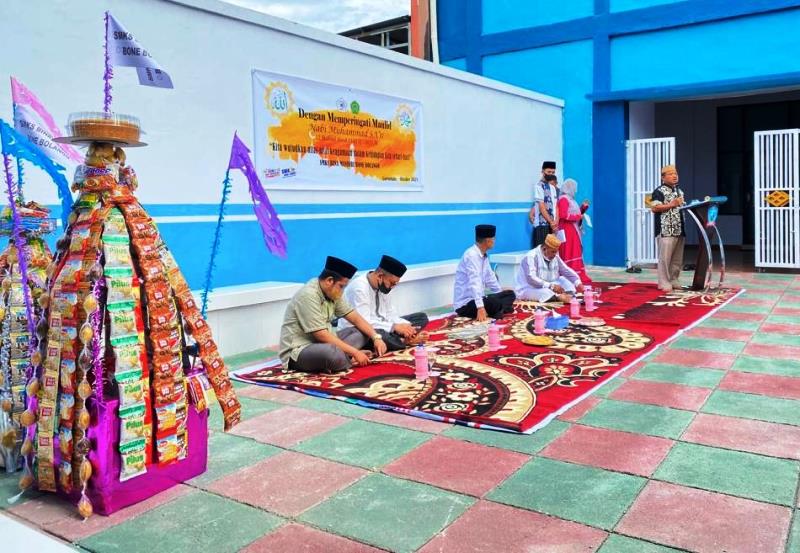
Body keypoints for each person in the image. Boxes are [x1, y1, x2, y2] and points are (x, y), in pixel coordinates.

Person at [279, 256, 388, 374]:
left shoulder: (333, 292)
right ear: (329, 281)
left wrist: (376, 337)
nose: (342, 290)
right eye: (341, 286)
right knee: (332, 354)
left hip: (324, 344)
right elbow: (321, 335)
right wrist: (355, 352)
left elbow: (355, 318)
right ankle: (344, 358)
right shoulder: (308, 295)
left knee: (362, 332)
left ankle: (342, 358)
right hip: (299, 351)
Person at [340, 254, 429, 351]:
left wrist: (406, 327)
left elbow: (390, 314)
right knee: (380, 335)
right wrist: (394, 327)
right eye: (392, 283)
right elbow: (364, 322)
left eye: (395, 284)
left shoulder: (384, 287)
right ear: (380, 276)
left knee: (421, 317)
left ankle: (404, 337)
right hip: (359, 330)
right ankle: (404, 341)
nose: (392, 287)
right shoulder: (359, 288)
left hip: (383, 325)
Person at [453, 224, 516, 320]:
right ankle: (498, 309)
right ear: (488, 241)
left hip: (480, 298)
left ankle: (498, 310)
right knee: (493, 302)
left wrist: (499, 294)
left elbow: (490, 278)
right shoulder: (471, 256)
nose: (494, 241)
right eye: (493, 239)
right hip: (465, 304)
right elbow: (475, 282)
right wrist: (480, 307)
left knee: (510, 294)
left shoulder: (484, 256)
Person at [515, 234, 585, 303]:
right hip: (529, 288)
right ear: (545, 248)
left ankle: (566, 296)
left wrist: (579, 284)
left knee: (566, 281)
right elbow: (531, 279)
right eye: (553, 252)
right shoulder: (531, 256)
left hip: (549, 284)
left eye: (556, 251)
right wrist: (551, 286)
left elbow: (566, 270)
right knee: (546, 293)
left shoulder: (555, 256)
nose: (555, 254)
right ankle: (560, 297)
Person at [650, 165, 685, 292]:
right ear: (663, 177)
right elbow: (654, 208)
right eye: (670, 174)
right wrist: (671, 204)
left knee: (677, 258)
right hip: (665, 230)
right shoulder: (658, 191)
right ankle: (663, 282)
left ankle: (674, 279)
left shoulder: (679, 191)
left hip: (679, 229)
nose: (674, 176)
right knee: (665, 258)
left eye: (675, 173)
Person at [557, 178, 592, 284]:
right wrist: (578, 216)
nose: (575, 191)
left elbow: (576, 213)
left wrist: (583, 208)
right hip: (567, 230)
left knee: (575, 250)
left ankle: (577, 274)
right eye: (574, 188)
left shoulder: (571, 200)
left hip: (573, 229)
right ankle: (570, 275)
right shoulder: (563, 199)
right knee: (570, 251)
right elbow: (563, 215)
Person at [529, 162, 559, 248]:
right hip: (542, 225)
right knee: (541, 251)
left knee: (551, 252)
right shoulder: (538, 186)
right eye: (549, 172)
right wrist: (551, 222)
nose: (551, 174)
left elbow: (556, 206)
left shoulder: (553, 187)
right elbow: (541, 207)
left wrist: (556, 221)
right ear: (543, 171)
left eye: (553, 172)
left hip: (552, 225)